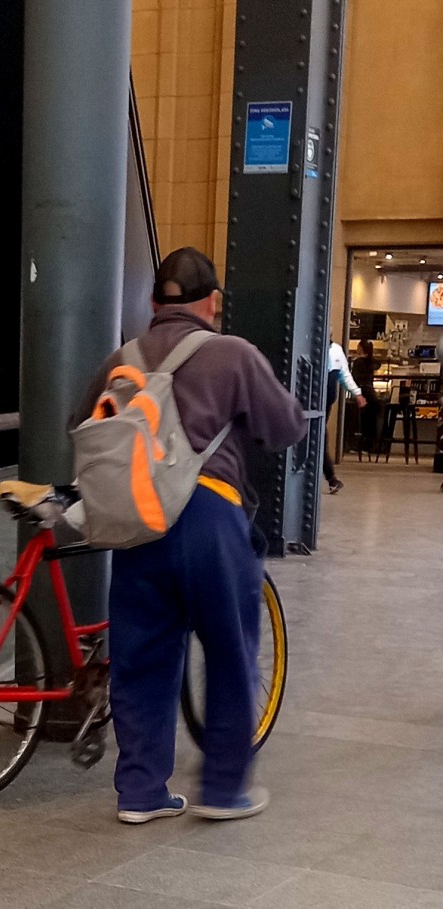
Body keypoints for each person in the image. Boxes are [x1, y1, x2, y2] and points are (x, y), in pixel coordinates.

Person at [71, 247, 306, 824]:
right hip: (208, 520)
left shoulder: (120, 358)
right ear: (213, 302)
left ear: (154, 303)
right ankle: (225, 791)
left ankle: (141, 792)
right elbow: (285, 427)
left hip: (138, 524)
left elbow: (80, 425)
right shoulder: (233, 355)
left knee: (141, 659)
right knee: (229, 652)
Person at [324, 337, 366, 493]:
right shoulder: (315, 347)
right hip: (316, 402)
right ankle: (331, 478)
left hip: (327, 402)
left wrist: (357, 393)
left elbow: (344, 375)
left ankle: (331, 479)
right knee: (320, 438)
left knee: (320, 437)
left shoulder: (336, 350)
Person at [351, 339, 380, 454]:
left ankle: (359, 445)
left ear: (361, 349)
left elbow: (353, 378)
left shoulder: (358, 362)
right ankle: (370, 446)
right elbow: (378, 364)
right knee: (370, 420)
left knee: (360, 419)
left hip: (361, 394)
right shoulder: (373, 362)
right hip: (371, 394)